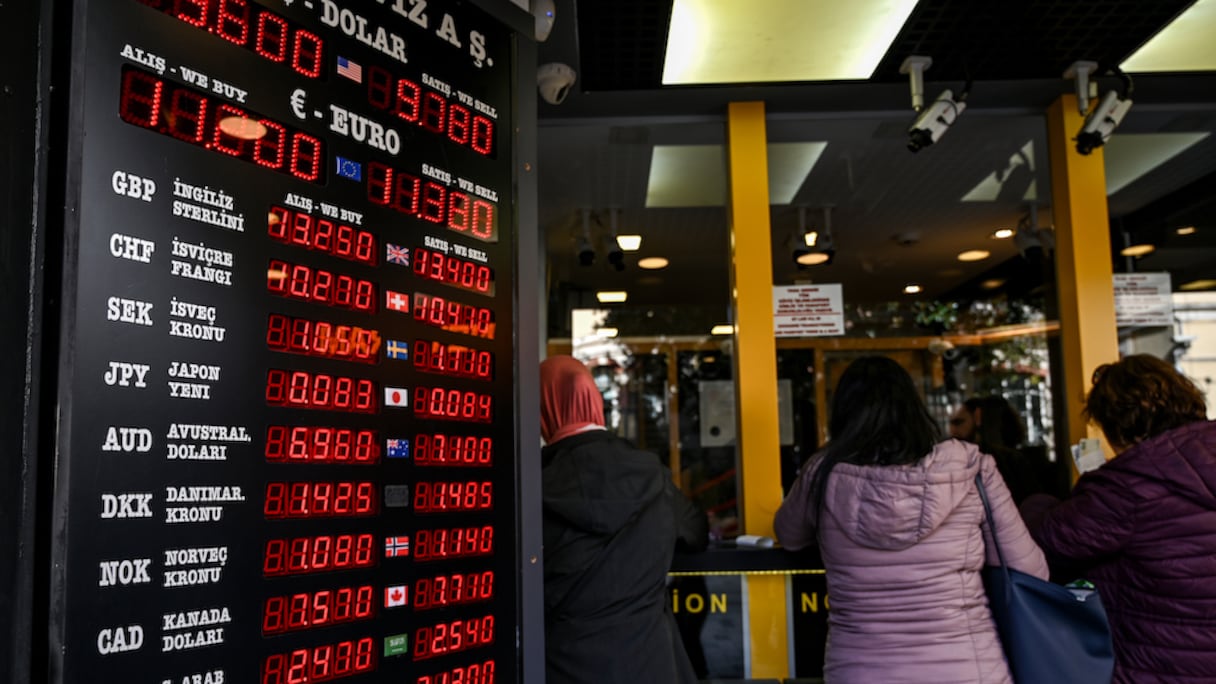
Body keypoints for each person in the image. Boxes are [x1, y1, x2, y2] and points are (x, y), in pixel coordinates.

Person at [774, 356, 1047, 683]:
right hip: (966, 668)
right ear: (913, 406)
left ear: (843, 412)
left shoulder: (821, 473)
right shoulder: (970, 468)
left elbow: (788, 535)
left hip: (861, 670)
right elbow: (1030, 571)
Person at [1030, 355, 1216, 683]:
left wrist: (1039, 502)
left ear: (1117, 425)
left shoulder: (1128, 486)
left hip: (1161, 669)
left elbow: (1045, 543)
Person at [539, 355, 707, 684]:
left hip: (561, 667)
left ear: (544, 409)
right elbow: (695, 531)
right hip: (648, 665)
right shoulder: (650, 474)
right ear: (594, 401)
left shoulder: (532, 487)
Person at [952, 396, 1045, 504]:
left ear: (977, 417)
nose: (953, 430)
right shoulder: (1024, 460)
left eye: (959, 422)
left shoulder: (986, 462)